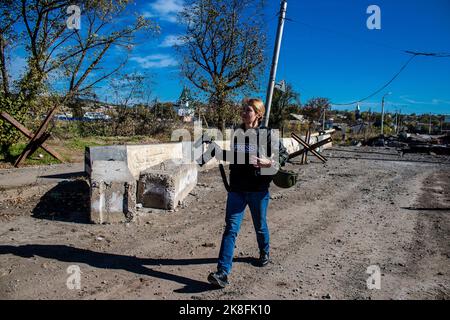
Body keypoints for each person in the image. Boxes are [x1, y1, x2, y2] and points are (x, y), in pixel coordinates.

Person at [206, 98, 289, 288]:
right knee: (230, 229)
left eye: (248, 110)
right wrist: (218, 152)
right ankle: (222, 272)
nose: (244, 113)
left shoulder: (268, 134)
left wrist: (269, 162)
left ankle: (264, 251)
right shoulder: (238, 132)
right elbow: (236, 157)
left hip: (258, 190)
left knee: (260, 225)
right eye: (243, 109)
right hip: (237, 189)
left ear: (258, 114)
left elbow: (283, 155)